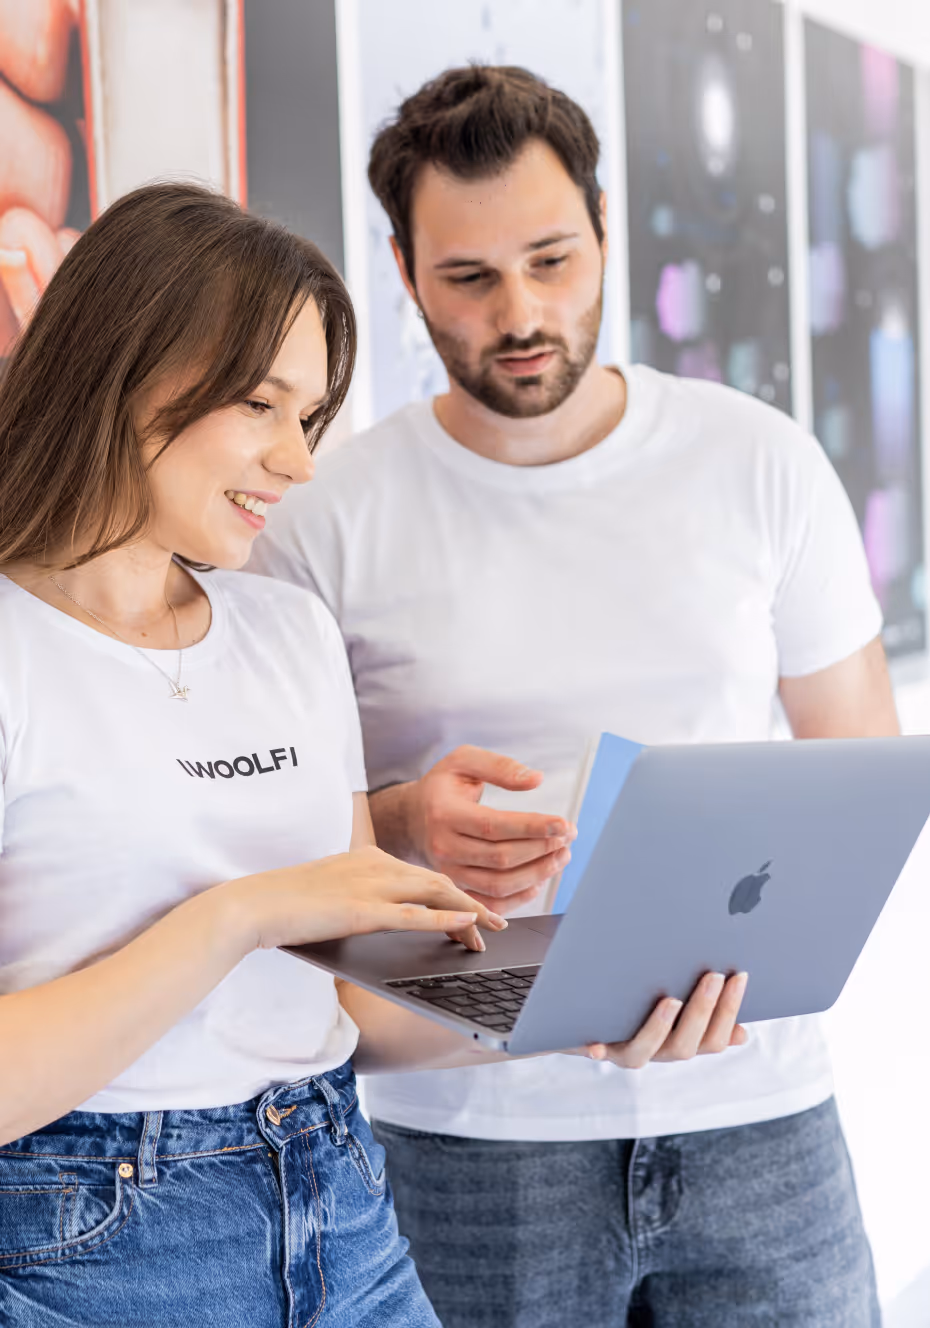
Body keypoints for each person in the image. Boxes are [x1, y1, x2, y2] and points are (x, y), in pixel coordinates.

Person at [0, 181, 743, 1328]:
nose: (296, 464)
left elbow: (350, 1003)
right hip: (89, 1240)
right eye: (260, 404)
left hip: (340, 1200)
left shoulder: (285, 632)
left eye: (310, 417)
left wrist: (581, 999)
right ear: (120, 364)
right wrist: (236, 913)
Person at [251, 65, 897, 1327]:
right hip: (468, 1147)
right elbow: (285, 861)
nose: (523, 312)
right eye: (470, 279)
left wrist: (746, 959)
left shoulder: (756, 461)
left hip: (758, 1118)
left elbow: (855, 772)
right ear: (402, 268)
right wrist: (394, 813)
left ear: (606, 227)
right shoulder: (323, 520)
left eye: (552, 258)